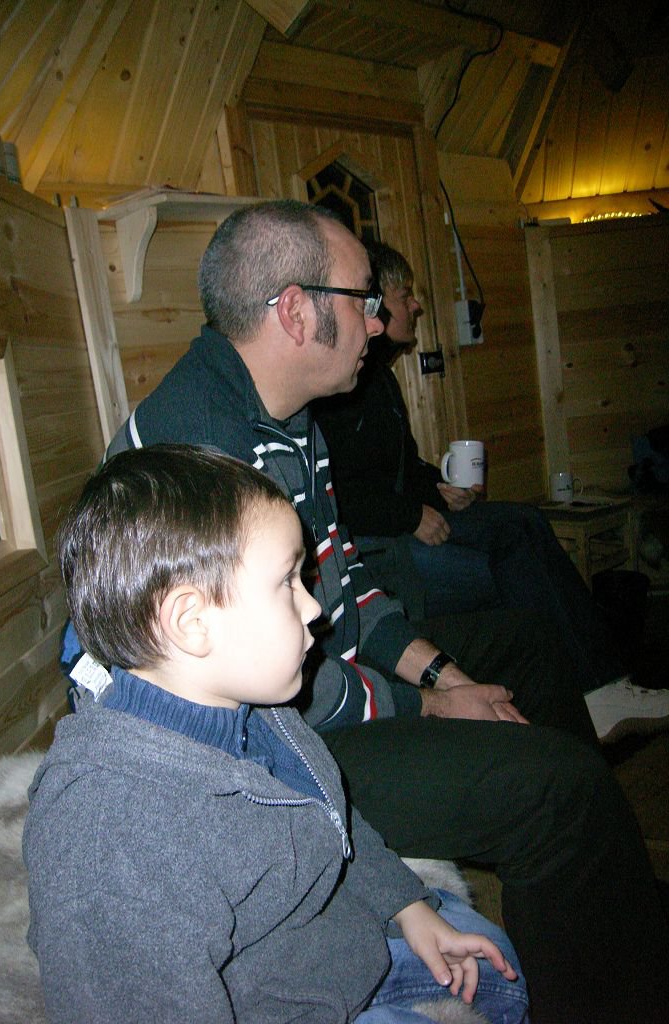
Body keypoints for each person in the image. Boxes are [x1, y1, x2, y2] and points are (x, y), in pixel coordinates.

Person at [97, 200, 668, 1023]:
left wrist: (442, 673)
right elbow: (272, 696)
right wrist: (423, 703)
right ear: (297, 311)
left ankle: (595, 889)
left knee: (529, 645)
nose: (376, 321)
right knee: (556, 792)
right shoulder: (201, 457)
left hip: (307, 690)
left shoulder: (288, 419)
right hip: (267, 760)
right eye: (363, 298)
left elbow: (343, 585)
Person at [24, 444, 528, 1024]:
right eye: (288, 582)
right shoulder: (108, 838)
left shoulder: (254, 710)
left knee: (500, 976)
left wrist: (406, 905)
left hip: (326, 953)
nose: (314, 608)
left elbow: (332, 821)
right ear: (191, 621)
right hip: (275, 1005)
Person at [313, 240, 669, 744]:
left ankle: (600, 685)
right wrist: (410, 515)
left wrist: (438, 487)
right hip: (381, 545)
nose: (416, 304)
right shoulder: (341, 386)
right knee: (512, 565)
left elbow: (401, 467)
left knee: (524, 520)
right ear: (376, 301)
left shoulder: (381, 381)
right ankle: (586, 692)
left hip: (407, 520)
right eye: (405, 293)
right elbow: (336, 493)